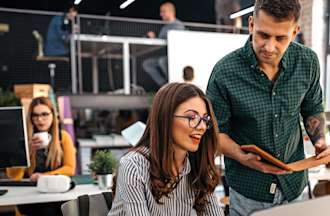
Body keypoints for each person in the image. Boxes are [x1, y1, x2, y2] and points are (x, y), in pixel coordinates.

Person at [206, 0, 330, 215]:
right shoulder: (225, 72)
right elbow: (216, 132)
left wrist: (319, 140)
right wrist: (241, 155)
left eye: (281, 38)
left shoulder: (307, 62)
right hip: (249, 191)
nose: (270, 47)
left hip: (294, 185)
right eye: (263, 35)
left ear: (294, 32)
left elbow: (312, 107)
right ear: (251, 24)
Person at [108, 83, 224, 215]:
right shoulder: (133, 165)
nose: (202, 126)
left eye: (204, 119)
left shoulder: (197, 167)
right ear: (165, 118)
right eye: (192, 117)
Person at [6, 96, 76, 216]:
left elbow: (70, 169)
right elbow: (14, 176)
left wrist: (43, 177)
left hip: (56, 193)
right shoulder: (23, 140)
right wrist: (26, 152)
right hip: (29, 196)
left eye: (45, 114)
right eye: (35, 115)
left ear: (53, 115)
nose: (40, 119)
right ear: (31, 118)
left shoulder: (63, 137)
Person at [143, 2, 185, 87]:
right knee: (148, 63)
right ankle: (164, 85)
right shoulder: (164, 27)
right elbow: (161, 42)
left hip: (175, 57)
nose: (161, 14)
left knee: (162, 61)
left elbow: (175, 41)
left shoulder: (178, 25)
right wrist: (154, 39)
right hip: (164, 55)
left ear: (171, 12)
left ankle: (173, 85)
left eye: (163, 11)